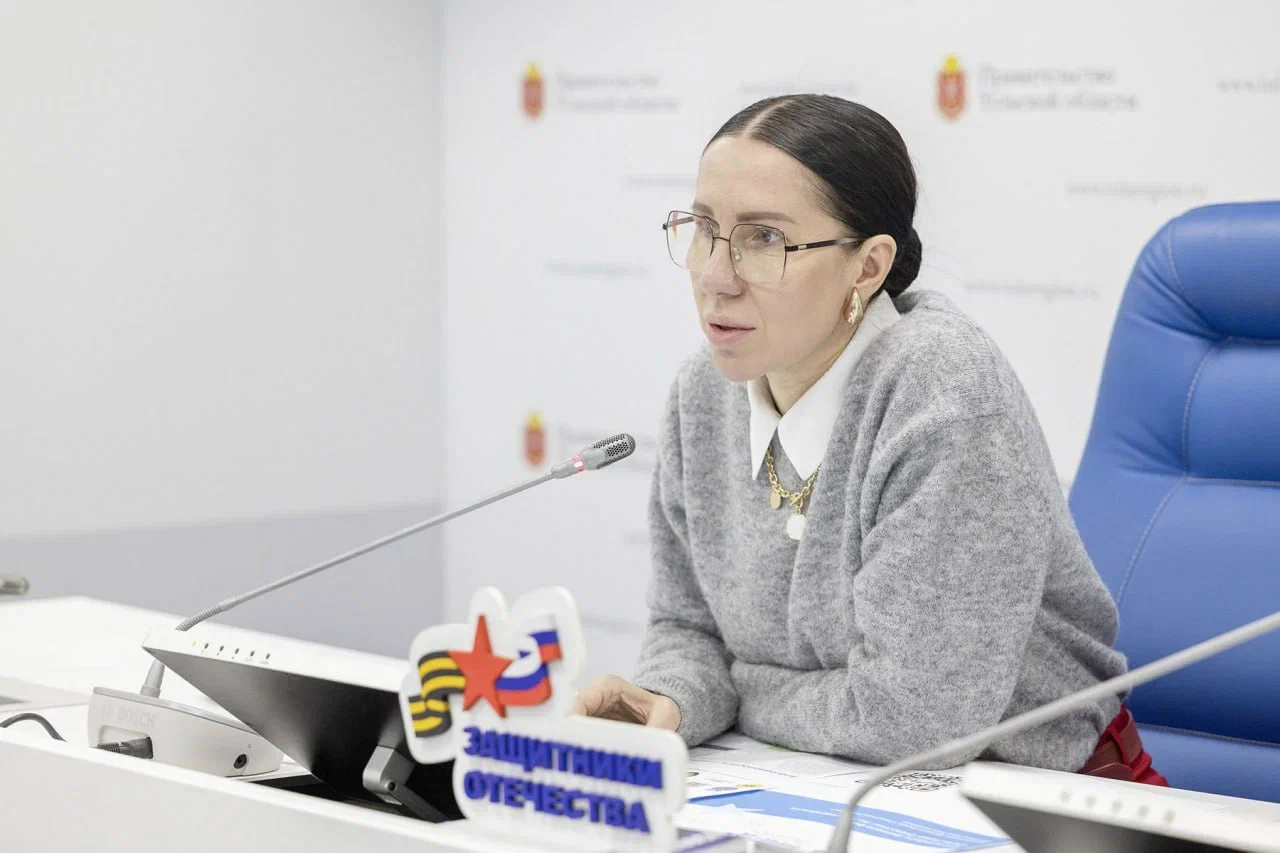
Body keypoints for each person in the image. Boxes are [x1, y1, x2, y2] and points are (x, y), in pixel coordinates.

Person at [571, 94, 1165, 784]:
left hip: (1043, 800)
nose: (714, 276)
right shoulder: (702, 393)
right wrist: (673, 697)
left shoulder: (943, 390)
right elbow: (687, 625)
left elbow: (913, 719)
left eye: (764, 238)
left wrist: (738, 688)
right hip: (828, 783)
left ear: (868, 266)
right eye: (704, 228)